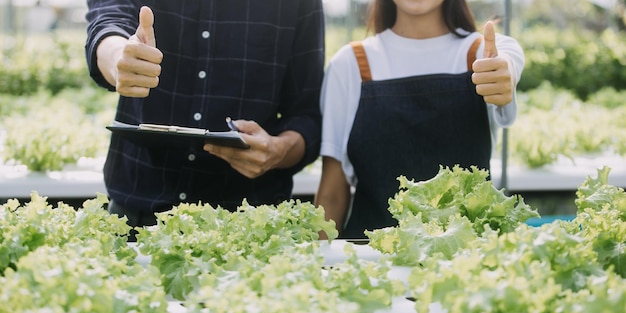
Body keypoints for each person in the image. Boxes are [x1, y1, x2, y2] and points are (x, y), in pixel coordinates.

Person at [84, 2, 325, 238]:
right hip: (136, 221)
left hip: (249, 227)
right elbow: (107, 22)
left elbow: (308, 117)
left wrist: (278, 150)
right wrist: (120, 59)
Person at [315, 0, 525, 239]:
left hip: (465, 264)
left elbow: (508, 58)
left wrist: (503, 71)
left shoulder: (479, 55)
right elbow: (332, 193)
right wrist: (318, 266)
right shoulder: (351, 63)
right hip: (371, 263)